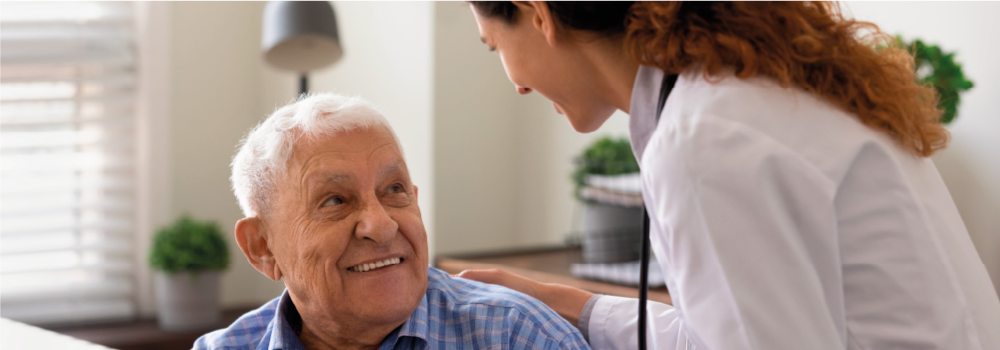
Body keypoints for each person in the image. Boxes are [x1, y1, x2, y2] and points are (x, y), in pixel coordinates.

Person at [458, 2, 1000, 350]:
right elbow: (719, 334)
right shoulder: (747, 94)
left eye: (493, 47)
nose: (516, 85)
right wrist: (569, 305)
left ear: (538, 14)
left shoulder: (702, 141)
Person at [194, 93, 590, 350]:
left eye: (394, 190)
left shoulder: (519, 337)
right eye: (335, 200)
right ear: (262, 248)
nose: (382, 226)